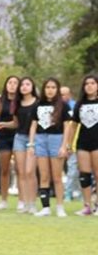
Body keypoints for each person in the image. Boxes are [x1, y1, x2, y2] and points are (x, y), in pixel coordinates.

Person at [28, 78, 72, 217]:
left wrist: (64, 145)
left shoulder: (63, 106)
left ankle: (60, 206)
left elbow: (67, 126)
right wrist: (31, 144)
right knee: (44, 175)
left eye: (53, 87)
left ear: (57, 89)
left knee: (57, 176)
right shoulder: (38, 104)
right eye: (47, 87)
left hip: (56, 139)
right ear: (44, 89)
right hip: (41, 139)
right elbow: (34, 125)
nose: (50, 90)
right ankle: (45, 207)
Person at [70, 74, 98, 216]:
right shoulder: (80, 104)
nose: (89, 86)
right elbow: (73, 125)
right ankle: (87, 205)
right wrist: (68, 144)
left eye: (92, 83)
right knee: (84, 175)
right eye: (87, 83)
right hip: (83, 142)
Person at [11, 77, 39, 214]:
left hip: (33, 139)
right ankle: (25, 202)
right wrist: (4, 124)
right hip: (19, 138)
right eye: (22, 84)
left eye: (28, 84)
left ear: (32, 87)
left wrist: (33, 142)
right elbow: (16, 123)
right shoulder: (17, 104)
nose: (24, 87)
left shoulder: (38, 103)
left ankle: (33, 203)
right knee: (21, 172)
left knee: (30, 172)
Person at [0, 76, 20, 210]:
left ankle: (22, 200)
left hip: (18, 136)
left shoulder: (21, 101)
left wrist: (4, 124)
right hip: (3, 137)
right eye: (10, 82)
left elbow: (18, 123)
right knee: (4, 170)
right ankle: (3, 200)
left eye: (15, 83)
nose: (12, 85)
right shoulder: (0, 101)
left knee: (20, 169)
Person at [61, 86, 80, 201]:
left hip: (82, 142)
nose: (62, 97)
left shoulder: (77, 106)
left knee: (84, 172)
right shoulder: (58, 107)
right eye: (60, 94)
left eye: (64, 94)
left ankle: (80, 194)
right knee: (71, 170)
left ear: (69, 94)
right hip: (68, 143)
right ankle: (68, 193)